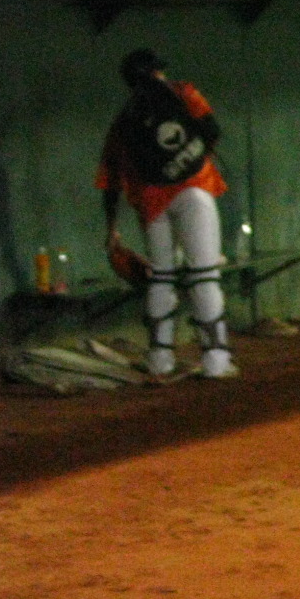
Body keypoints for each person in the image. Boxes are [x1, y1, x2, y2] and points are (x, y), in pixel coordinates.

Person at [97, 48, 237, 379]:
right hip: (194, 191)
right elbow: (212, 130)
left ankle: (160, 359)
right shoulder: (182, 92)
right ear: (154, 72)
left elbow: (109, 182)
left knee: (161, 277)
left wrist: (112, 230)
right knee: (204, 274)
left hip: (151, 204)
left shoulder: (123, 122)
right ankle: (216, 361)